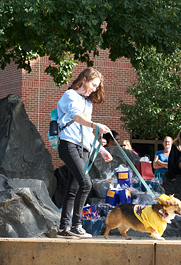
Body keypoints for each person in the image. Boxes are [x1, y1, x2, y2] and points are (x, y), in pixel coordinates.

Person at [57, 67, 113, 239]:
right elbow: (76, 117)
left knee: (73, 188)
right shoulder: (70, 95)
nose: (94, 89)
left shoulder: (88, 103)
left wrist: (102, 150)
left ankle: (63, 229)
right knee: (86, 184)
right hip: (69, 145)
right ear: (84, 80)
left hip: (84, 148)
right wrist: (96, 125)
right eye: (93, 85)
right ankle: (76, 225)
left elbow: (87, 132)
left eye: (97, 87)